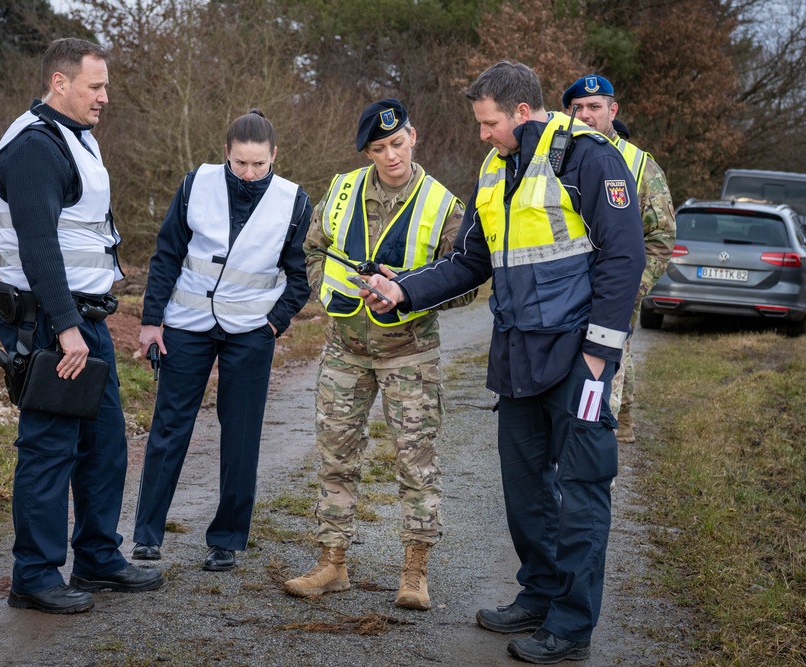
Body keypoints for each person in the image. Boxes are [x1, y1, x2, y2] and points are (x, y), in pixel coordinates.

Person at [363, 63, 645, 663]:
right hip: (518, 356)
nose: (482, 134)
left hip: (579, 358)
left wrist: (600, 354)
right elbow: (471, 262)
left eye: (489, 122)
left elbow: (624, 259)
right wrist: (404, 290)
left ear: (521, 112)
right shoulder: (494, 168)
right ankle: (540, 593)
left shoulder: (588, 158)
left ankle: (570, 625)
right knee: (524, 491)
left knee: (582, 488)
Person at [0, 37, 164, 615]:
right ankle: (34, 576)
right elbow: (39, 248)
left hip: (83, 321)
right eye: (96, 86)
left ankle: (95, 556)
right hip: (50, 324)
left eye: (106, 86)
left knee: (104, 443)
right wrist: (66, 329)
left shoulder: (73, 139)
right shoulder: (35, 146)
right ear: (60, 83)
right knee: (48, 450)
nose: (105, 97)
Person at [283, 99, 475, 611]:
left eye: (397, 143)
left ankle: (414, 572)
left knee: (416, 465)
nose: (390, 155)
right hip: (345, 350)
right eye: (378, 148)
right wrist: (331, 294)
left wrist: (409, 291)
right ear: (367, 151)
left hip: (409, 355)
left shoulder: (443, 204)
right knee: (335, 459)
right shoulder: (343, 190)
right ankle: (332, 563)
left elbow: (469, 281)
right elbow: (312, 249)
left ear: (414, 136)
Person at [131, 109, 311, 573]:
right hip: (187, 323)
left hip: (252, 331)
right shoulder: (196, 184)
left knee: (241, 434)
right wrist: (152, 320)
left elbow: (300, 276)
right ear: (225, 154)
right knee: (169, 428)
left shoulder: (295, 201)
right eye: (240, 164)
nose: (249, 174)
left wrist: (275, 323)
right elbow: (167, 253)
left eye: (259, 164)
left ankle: (227, 539)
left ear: (275, 156)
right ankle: (147, 535)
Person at [562, 75, 676, 444]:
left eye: (594, 107)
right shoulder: (553, 157)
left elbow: (660, 239)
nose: (585, 115)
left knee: (597, 401)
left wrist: (629, 291)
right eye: (577, 107)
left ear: (612, 111)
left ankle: (595, 480)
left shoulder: (640, 166)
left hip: (611, 301)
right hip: (563, 298)